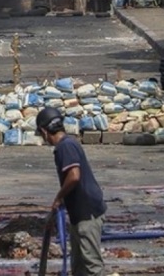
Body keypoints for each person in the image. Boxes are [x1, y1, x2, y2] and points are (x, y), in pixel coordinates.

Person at [36, 107, 106, 276]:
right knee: (79, 266)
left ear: (44, 132)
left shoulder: (64, 147)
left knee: (92, 266)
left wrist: (59, 198)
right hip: (80, 213)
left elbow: (74, 176)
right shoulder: (70, 142)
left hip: (86, 213)